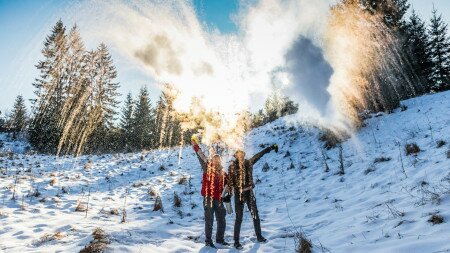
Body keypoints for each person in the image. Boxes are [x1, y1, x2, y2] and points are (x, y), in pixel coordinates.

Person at [228, 144, 278, 249]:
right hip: (238, 195)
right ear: (236, 156)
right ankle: (236, 242)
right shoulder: (232, 166)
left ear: (243, 155)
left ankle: (259, 236)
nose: (240, 155)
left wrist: (269, 148)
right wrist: (228, 194)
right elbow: (230, 183)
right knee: (239, 218)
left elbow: (259, 155)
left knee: (255, 215)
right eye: (238, 154)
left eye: (242, 154)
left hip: (249, 193)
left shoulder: (248, 162)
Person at [191, 135, 229, 248]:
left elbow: (228, 185)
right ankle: (208, 241)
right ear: (212, 160)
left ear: (220, 161)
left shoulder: (223, 173)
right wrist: (194, 143)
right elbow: (200, 154)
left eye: (218, 160)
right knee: (209, 220)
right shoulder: (207, 166)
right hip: (209, 198)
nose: (216, 161)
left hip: (220, 198)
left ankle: (220, 239)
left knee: (222, 220)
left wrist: (228, 194)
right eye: (215, 159)